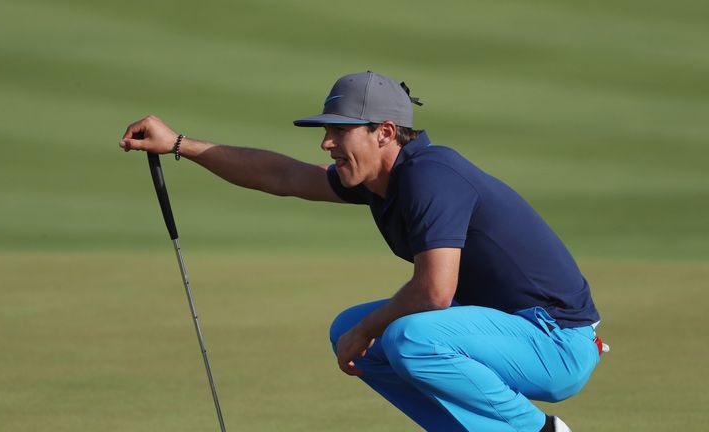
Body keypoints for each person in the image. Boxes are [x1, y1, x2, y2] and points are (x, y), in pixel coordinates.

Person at [119, 71, 604, 432]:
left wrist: (368, 329)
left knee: (407, 337)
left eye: (340, 130)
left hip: (556, 341)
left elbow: (435, 292)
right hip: (510, 330)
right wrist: (181, 144)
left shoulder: (431, 176)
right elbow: (284, 177)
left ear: (385, 133)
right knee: (351, 332)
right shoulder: (380, 180)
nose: (326, 142)